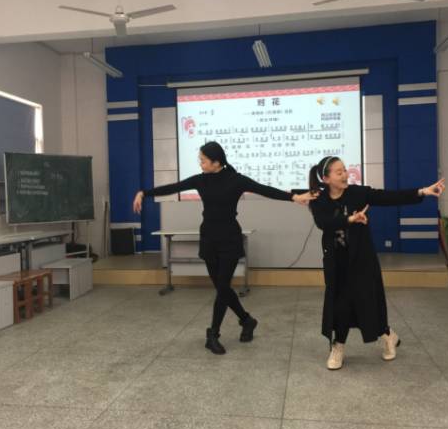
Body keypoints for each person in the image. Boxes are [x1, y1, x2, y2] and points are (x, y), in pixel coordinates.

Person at [133, 141, 314, 355]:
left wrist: (294, 197)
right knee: (222, 288)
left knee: (222, 287)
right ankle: (247, 320)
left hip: (229, 238)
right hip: (209, 238)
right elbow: (174, 187)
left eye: (203, 160)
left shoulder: (236, 180)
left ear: (216, 162)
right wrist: (144, 193)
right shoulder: (201, 180)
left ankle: (213, 334)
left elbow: (264, 189)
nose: (200, 163)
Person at [309, 156, 445, 370]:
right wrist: (350, 219)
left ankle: (387, 336)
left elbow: (388, 197)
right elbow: (324, 223)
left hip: (362, 259)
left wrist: (421, 192)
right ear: (326, 179)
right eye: (338, 172)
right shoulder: (319, 200)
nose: (345, 175)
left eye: (345, 170)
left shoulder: (358, 193)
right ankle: (338, 346)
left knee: (368, 301)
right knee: (340, 304)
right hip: (337, 262)